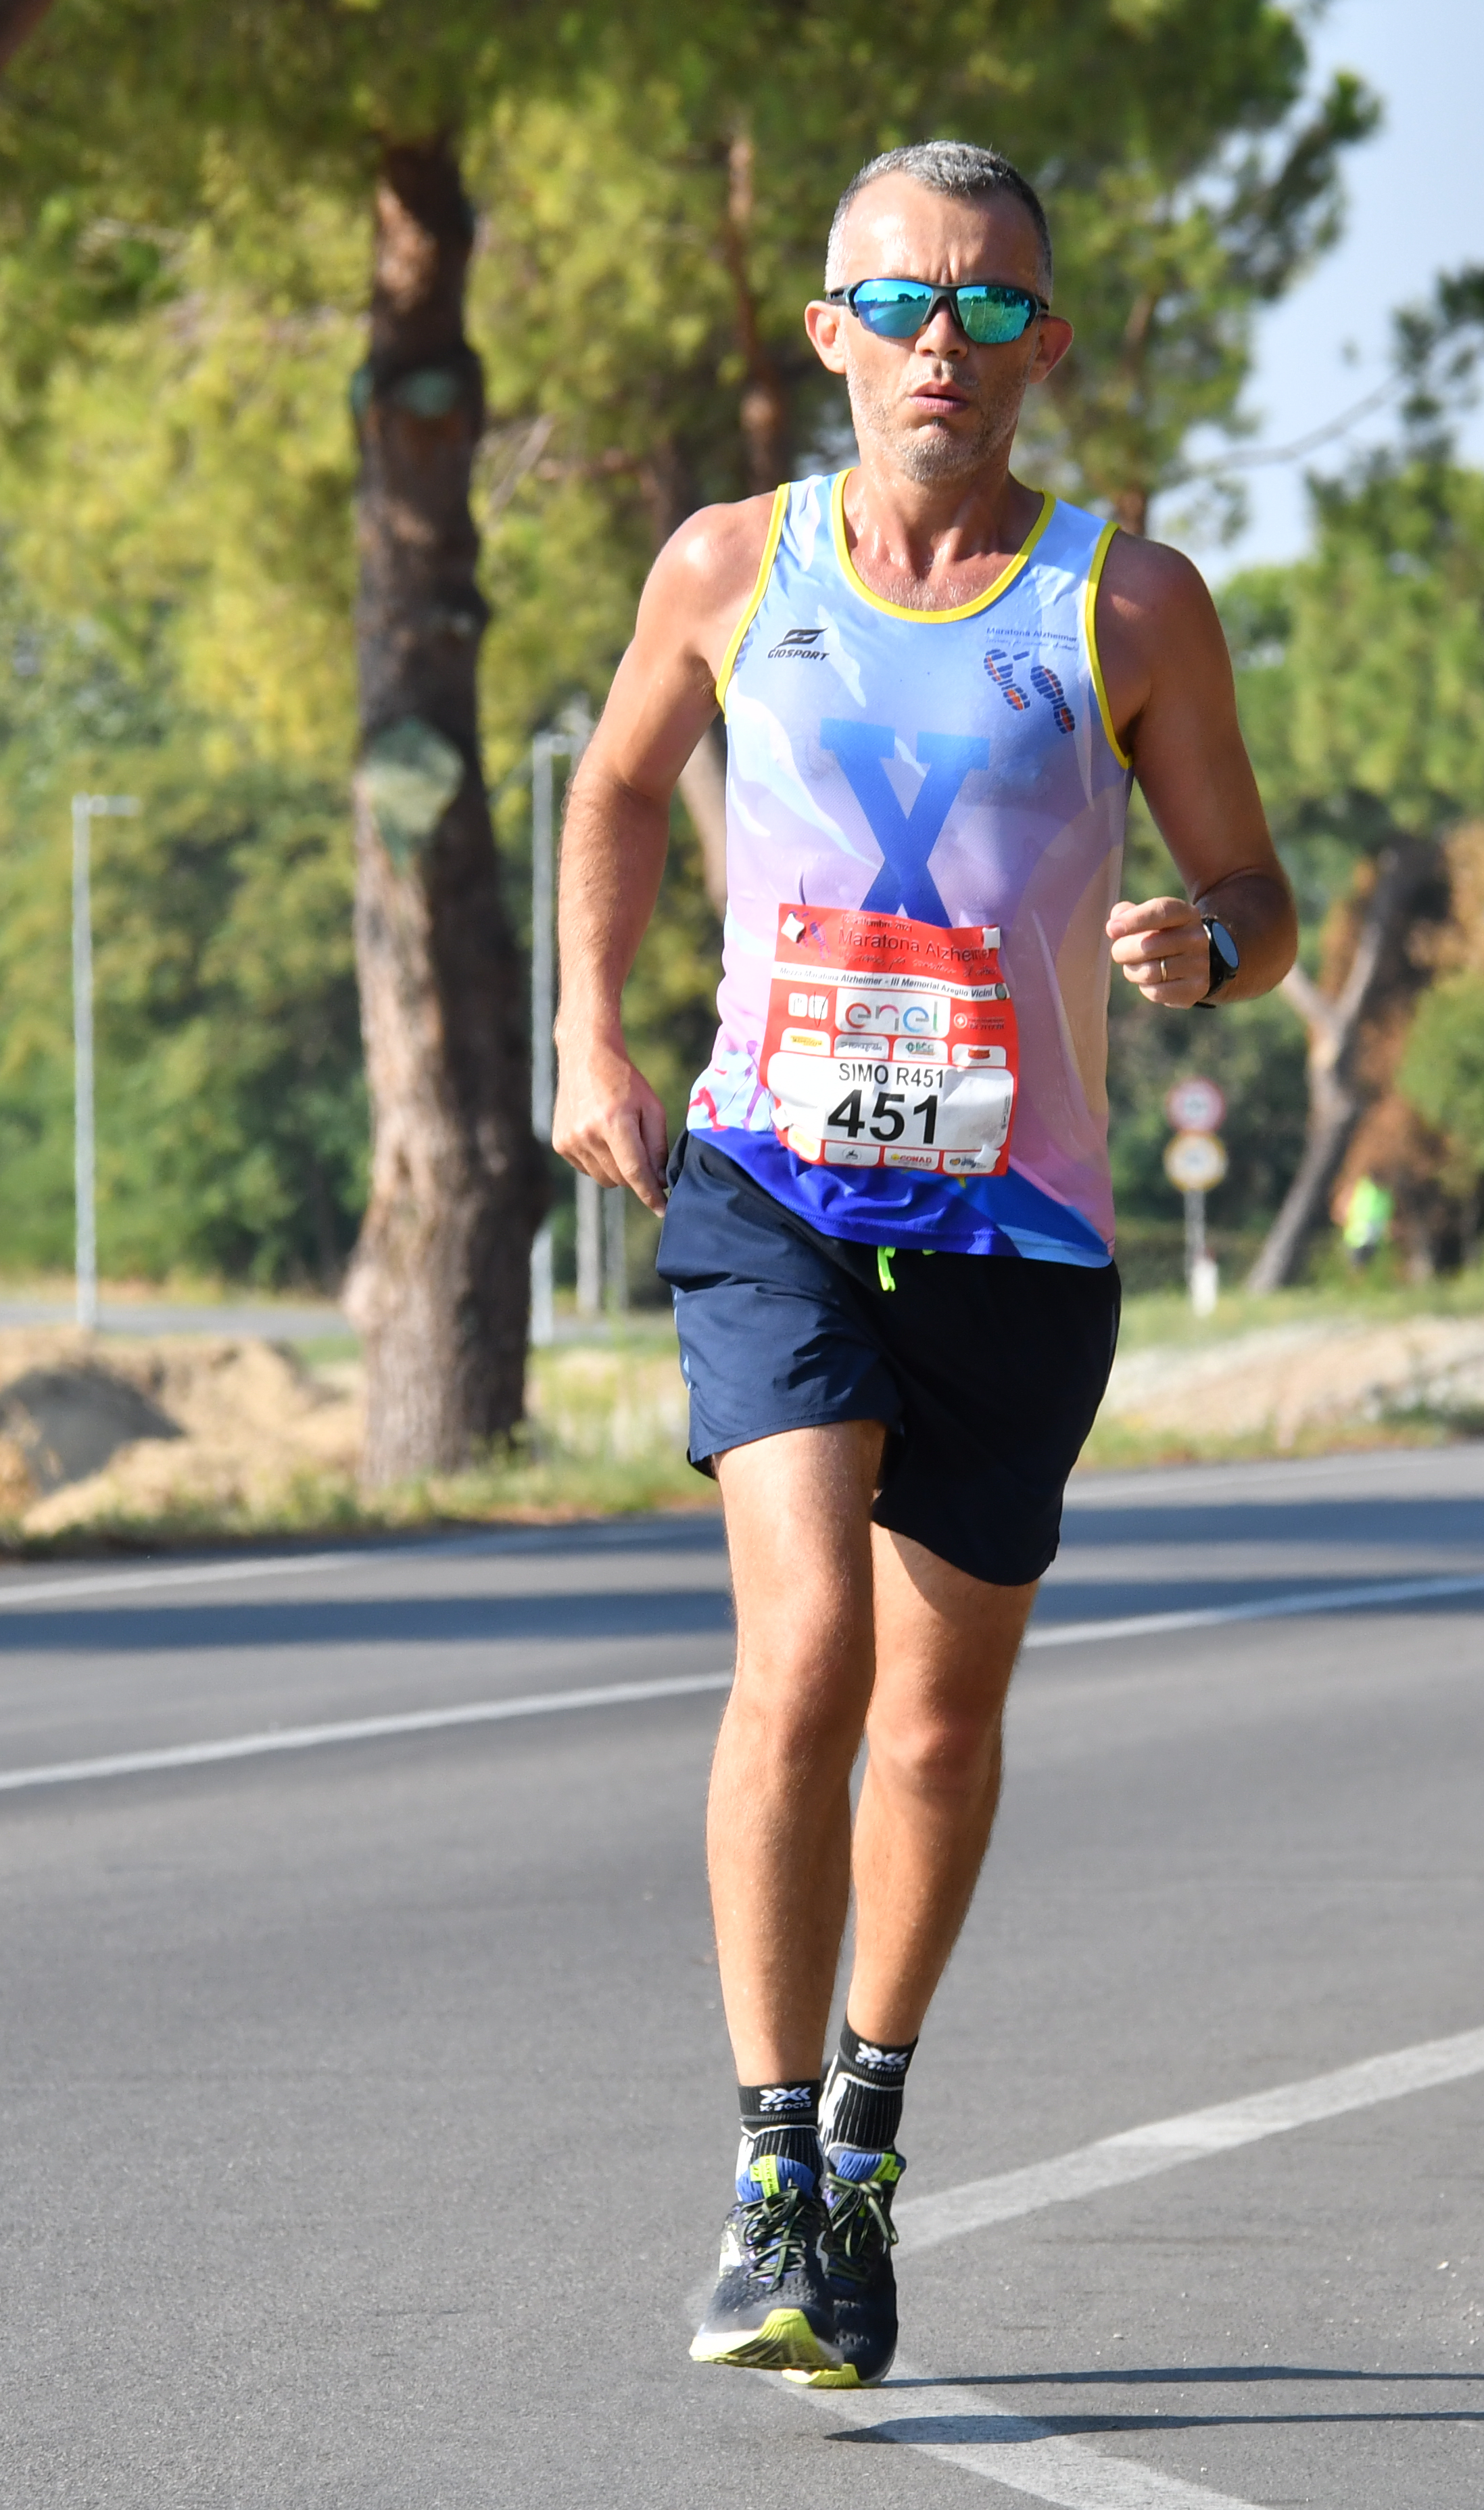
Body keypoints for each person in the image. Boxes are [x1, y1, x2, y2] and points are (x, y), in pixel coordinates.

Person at [548, 139, 1294, 2390]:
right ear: (827, 336)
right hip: (770, 1184)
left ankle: (865, 2138)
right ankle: (769, 2162)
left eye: (986, 310)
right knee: (800, 1663)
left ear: (1041, 346)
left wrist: (1204, 945)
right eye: (899, 306)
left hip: (1018, 1223)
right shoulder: (721, 564)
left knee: (938, 1712)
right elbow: (605, 790)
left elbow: (1260, 893)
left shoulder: (1128, 605)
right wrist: (584, 1024)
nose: (938, 349)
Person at [1338, 1170, 1394, 1275]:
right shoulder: (1362, 1188)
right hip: (1358, 1234)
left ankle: (1364, 1281)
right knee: (1357, 1261)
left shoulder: (1383, 1193)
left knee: (1370, 1261)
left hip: (1371, 1235)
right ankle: (1357, 1281)